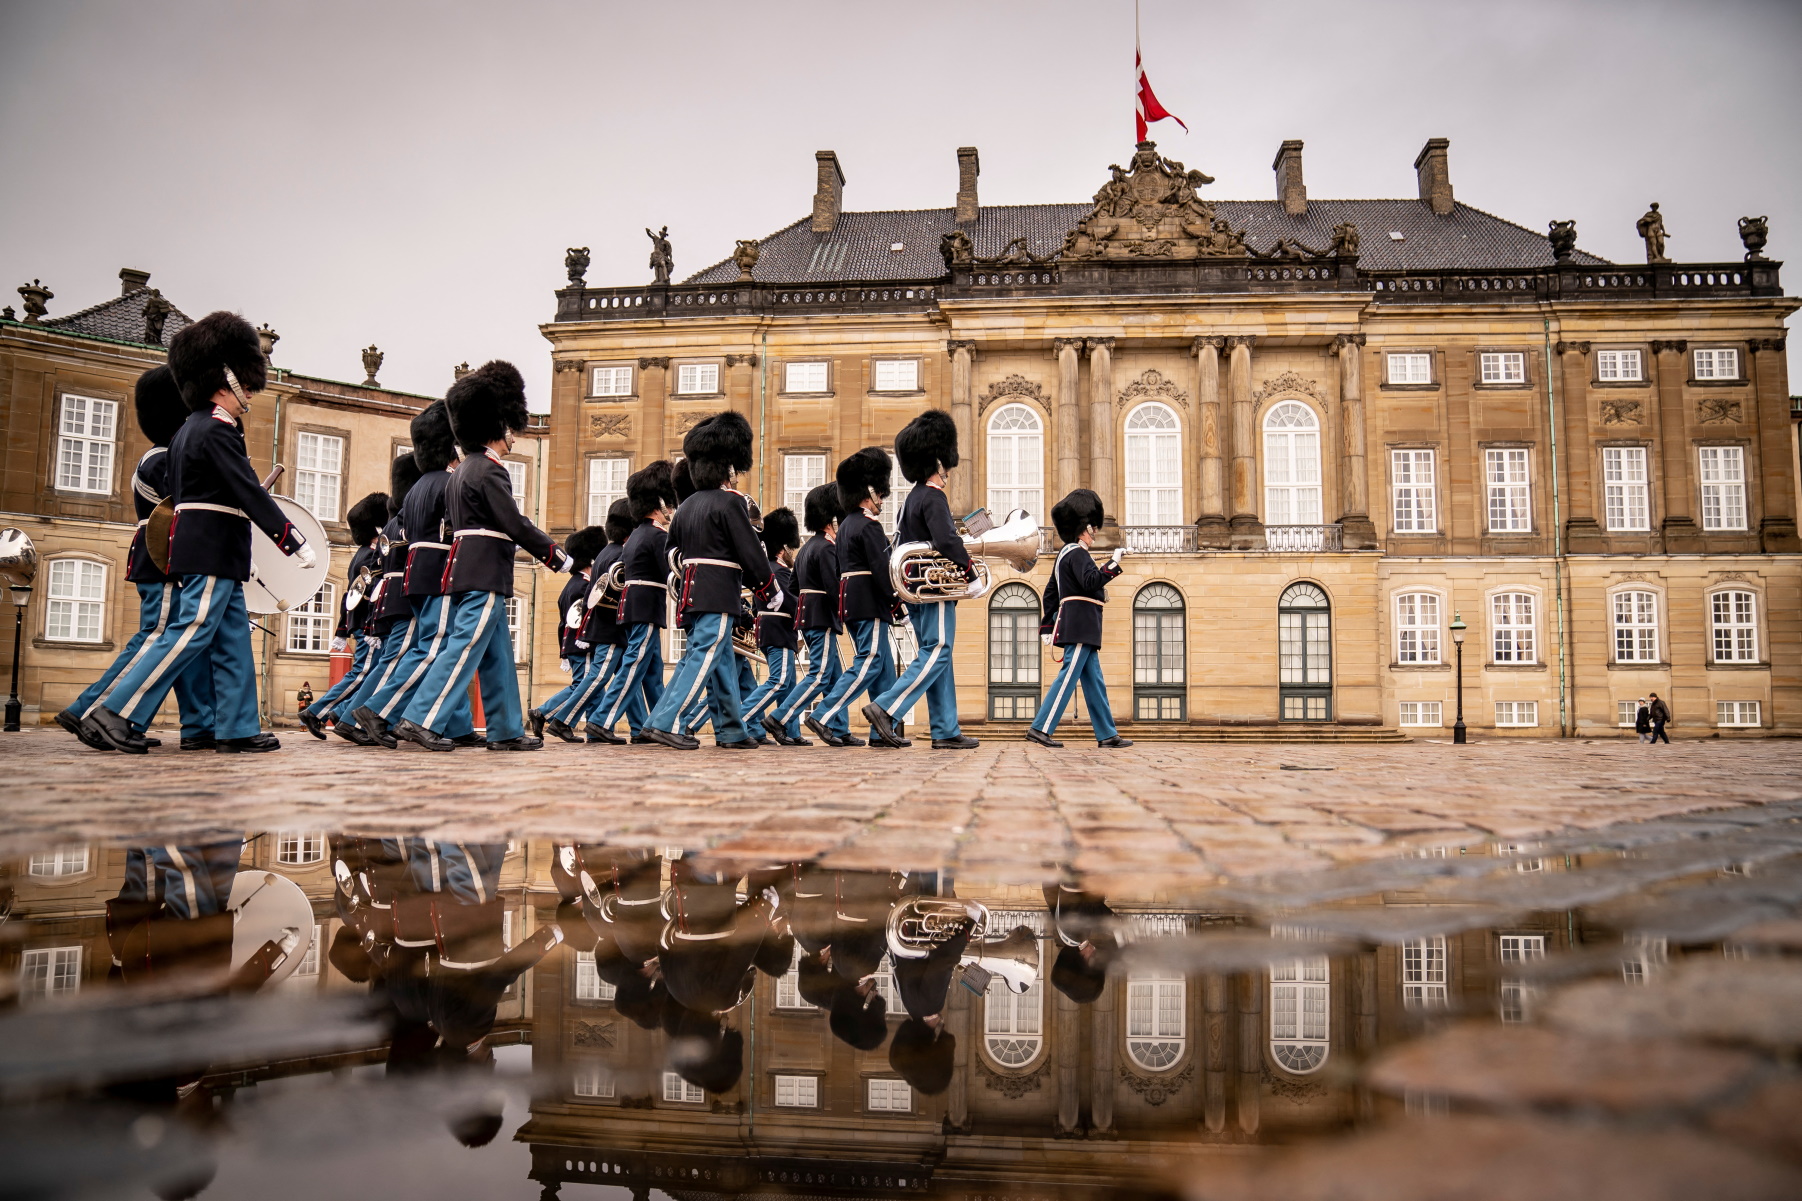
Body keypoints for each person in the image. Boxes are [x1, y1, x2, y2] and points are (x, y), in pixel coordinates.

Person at [85, 311, 316, 754]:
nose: (250, 390)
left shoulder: (195, 428)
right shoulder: (213, 428)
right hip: (210, 548)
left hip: (220, 550)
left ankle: (236, 728)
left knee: (232, 644)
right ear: (223, 377)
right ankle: (116, 710)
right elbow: (247, 492)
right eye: (245, 382)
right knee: (189, 632)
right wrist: (292, 539)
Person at [392, 361, 573, 752]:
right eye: (509, 426)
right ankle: (420, 719)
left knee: (497, 656)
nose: (513, 435)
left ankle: (505, 729)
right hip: (483, 569)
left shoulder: (463, 470)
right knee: (463, 647)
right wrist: (557, 555)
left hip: (468, 568)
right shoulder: (489, 470)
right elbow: (513, 521)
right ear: (498, 426)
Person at [56, 366, 215, 751]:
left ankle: (200, 723)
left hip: (167, 552)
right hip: (164, 553)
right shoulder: (162, 458)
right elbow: (186, 508)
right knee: (156, 637)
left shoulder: (161, 456)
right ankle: (88, 708)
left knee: (186, 647)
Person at [349, 401, 478, 748]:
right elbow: (456, 530)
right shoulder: (449, 484)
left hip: (414, 574)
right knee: (433, 649)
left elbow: (407, 531)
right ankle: (377, 711)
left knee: (429, 647)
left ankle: (455, 724)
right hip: (437, 572)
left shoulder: (418, 489)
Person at [644, 412, 774, 749]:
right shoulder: (731, 503)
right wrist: (768, 589)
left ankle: (731, 729)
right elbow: (750, 552)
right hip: (718, 590)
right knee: (706, 655)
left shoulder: (687, 506)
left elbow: (671, 553)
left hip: (692, 591)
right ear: (730, 468)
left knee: (721, 660)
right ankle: (667, 721)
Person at [865, 409, 978, 750]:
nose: (949, 471)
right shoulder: (933, 496)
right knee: (939, 650)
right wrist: (969, 570)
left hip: (917, 590)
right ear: (938, 461)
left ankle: (944, 729)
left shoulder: (912, 499)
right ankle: (887, 707)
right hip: (933, 592)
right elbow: (945, 541)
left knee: (936, 654)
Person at [807, 448, 899, 748]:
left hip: (853, 602)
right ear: (869, 491)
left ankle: (883, 731)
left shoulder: (845, 526)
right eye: (879, 494)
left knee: (883, 666)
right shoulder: (869, 526)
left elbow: (838, 569)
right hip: (869, 600)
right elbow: (882, 570)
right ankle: (824, 713)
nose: (882, 500)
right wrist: (897, 602)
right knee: (870, 662)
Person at [1026, 489, 1132, 749]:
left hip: (1081, 624)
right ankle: (1041, 727)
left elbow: (1052, 592)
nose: (1095, 532)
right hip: (1081, 624)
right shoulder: (1078, 553)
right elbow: (1089, 581)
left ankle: (1107, 733)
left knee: (1094, 681)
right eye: (1092, 528)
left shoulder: (1067, 555)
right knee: (1068, 676)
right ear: (1083, 528)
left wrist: (1047, 625)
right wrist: (1112, 564)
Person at [333, 454, 426, 748]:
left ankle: (352, 717)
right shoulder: (408, 520)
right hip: (405, 596)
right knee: (391, 663)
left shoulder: (390, 525)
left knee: (392, 662)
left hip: (389, 599)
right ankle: (351, 718)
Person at [587, 462, 677, 743]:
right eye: (668, 504)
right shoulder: (657, 534)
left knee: (652, 672)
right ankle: (602, 720)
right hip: (646, 605)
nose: (671, 510)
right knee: (635, 664)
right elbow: (671, 573)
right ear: (659, 503)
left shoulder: (637, 534)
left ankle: (653, 726)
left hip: (635, 605)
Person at [300, 492, 391, 742]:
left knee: (368, 674)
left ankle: (340, 713)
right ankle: (316, 711)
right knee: (362, 674)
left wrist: (343, 629)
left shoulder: (362, 552)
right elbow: (365, 595)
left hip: (362, 624)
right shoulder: (372, 555)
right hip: (368, 625)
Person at [768, 484, 844, 746]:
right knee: (820, 675)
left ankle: (840, 728)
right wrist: (846, 611)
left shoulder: (807, 549)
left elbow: (793, 588)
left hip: (808, 617)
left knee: (834, 675)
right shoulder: (826, 548)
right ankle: (780, 716)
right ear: (832, 520)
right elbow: (834, 587)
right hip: (822, 617)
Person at [532, 525, 607, 743]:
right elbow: (577, 620)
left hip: (574, 645)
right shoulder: (582, 587)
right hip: (582, 644)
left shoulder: (571, 585)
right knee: (584, 686)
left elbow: (561, 624)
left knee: (593, 689)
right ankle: (544, 713)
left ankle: (595, 729)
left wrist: (563, 651)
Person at [741, 507, 803, 742]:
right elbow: (791, 604)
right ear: (783, 547)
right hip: (779, 632)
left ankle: (791, 732)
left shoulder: (767, 571)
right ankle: (741, 716)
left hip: (771, 632)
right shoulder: (780, 572)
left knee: (788, 683)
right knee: (778, 681)